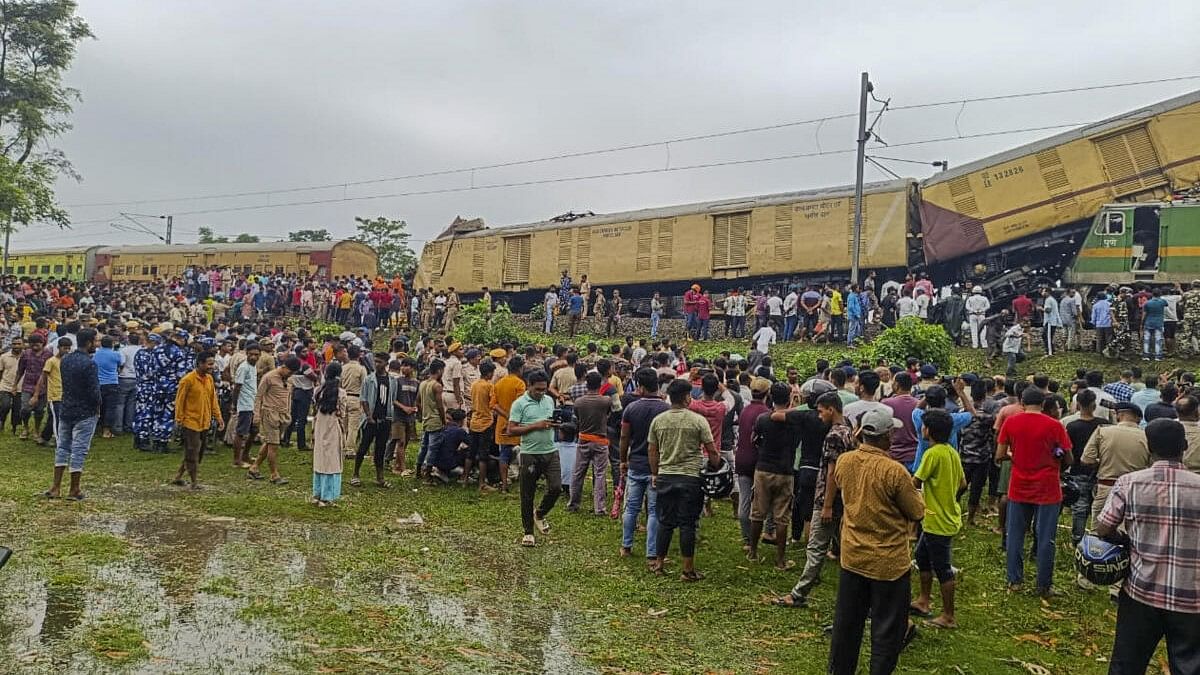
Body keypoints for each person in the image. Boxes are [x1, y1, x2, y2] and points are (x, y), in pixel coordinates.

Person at [1095, 418, 1200, 674]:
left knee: (1127, 663)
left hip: (1141, 590)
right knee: (1190, 666)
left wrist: (1126, 539)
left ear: (1149, 448)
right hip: (1192, 597)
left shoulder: (1130, 483)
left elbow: (1103, 527)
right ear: (1184, 446)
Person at [826, 407, 924, 675]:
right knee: (886, 631)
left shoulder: (845, 461)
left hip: (853, 555)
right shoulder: (894, 472)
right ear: (887, 437)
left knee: (846, 626)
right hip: (888, 563)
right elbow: (917, 511)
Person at [775, 391, 854, 607]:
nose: (818, 416)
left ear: (831, 409)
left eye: (820, 412)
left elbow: (831, 472)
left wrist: (826, 505)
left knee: (816, 547)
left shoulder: (834, 436)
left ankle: (799, 593)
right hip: (844, 498)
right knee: (845, 544)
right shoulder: (847, 428)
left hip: (827, 498)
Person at [996, 387, 1072, 597]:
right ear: (1043, 403)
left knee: (1015, 535)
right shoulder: (1055, 425)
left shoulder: (1011, 422)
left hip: (1019, 484)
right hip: (1047, 486)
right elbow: (1068, 458)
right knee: (1046, 537)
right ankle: (1044, 585)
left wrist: (1017, 455)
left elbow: (1000, 454)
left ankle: (1014, 581)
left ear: (1022, 401)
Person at [647, 378, 720, 581]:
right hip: (691, 477)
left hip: (666, 475)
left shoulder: (659, 421)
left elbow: (652, 451)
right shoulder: (697, 421)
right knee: (687, 523)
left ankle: (659, 563)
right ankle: (687, 570)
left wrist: (655, 473)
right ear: (687, 397)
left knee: (665, 522)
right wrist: (716, 466)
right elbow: (711, 451)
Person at [911, 409, 965, 629]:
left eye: (924, 426)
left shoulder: (932, 454)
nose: (922, 429)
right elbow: (962, 483)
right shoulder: (951, 452)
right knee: (922, 557)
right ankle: (923, 600)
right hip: (944, 515)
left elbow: (915, 482)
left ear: (929, 430)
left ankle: (948, 616)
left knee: (942, 568)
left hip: (937, 520)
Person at [747, 382, 802, 569]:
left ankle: (753, 552)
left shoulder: (763, 419)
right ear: (789, 398)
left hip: (763, 468)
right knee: (782, 516)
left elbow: (754, 440)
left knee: (758, 512)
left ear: (771, 396)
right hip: (786, 470)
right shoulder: (796, 420)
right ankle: (780, 559)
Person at [619, 367, 670, 563]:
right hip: (658, 467)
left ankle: (626, 545)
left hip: (636, 464)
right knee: (654, 511)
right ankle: (651, 552)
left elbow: (624, 436)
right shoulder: (666, 409)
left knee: (632, 508)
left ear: (640, 387)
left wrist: (623, 460)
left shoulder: (631, 408)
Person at [43, 328, 101, 502]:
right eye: (95, 341)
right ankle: (74, 489)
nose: (96, 344)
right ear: (89, 342)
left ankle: (55, 487)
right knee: (79, 449)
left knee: (62, 447)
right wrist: (98, 406)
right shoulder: (90, 364)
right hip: (85, 411)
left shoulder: (65, 360)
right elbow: (93, 390)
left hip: (66, 407)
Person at [507, 369, 562, 547]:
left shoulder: (549, 401)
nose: (541, 393)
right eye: (537, 389)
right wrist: (535, 426)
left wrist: (554, 424)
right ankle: (528, 532)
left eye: (544, 389)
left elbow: (550, 421)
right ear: (529, 386)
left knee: (556, 487)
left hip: (550, 450)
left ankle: (539, 513)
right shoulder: (520, 404)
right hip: (530, 453)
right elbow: (511, 430)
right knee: (527, 494)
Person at [171, 350, 224, 490]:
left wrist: (218, 417)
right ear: (200, 363)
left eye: (213, 364)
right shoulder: (187, 380)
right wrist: (179, 420)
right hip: (190, 421)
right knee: (193, 451)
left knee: (197, 451)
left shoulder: (209, 379)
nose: (211, 367)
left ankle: (178, 477)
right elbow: (179, 401)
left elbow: (213, 400)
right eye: (209, 364)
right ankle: (194, 482)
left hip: (205, 421)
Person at [247, 357, 299, 485]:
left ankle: (254, 467)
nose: (290, 375)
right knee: (274, 445)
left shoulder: (289, 379)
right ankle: (274, 474)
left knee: (270, 442)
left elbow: (288, 396)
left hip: (283, 414)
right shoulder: (269, 377)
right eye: (289, 372)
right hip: (270, 413)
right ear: (284, 367)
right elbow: (258, 396)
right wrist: (257, 415)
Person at [569, 371, 612, 515]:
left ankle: (573, 503)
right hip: (600, 441)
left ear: (586, 384)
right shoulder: (605, 400)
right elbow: (610, 413)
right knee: (600, 474)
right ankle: (599, 508)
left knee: (578, 473)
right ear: (600, 384)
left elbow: (576, 418)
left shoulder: (579, 402)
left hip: (584, 439)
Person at [230, 342, 261, 468]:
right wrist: (235, 404)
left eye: (256, 355)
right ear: (247, 354)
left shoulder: (253, 366)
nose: (254, 357)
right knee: (241, 432)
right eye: (251, 354)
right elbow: (237, 387)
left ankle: (245, 455)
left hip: (252, 402)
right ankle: (237, 460)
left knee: (254, 430)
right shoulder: (244, 367)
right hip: (244, 404)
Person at [1141, 288, 1167, 361]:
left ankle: (1146, 355)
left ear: (1152, 294)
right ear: (1160, 294)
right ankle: (1158, 356)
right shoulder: (1162, 301)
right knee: (1158, 339)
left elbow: (1144, 314)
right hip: (1158, 323)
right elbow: (1166, 305)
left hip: (1148, 322)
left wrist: (1142, 323)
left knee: (1146, 339)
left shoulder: (1147, 303)